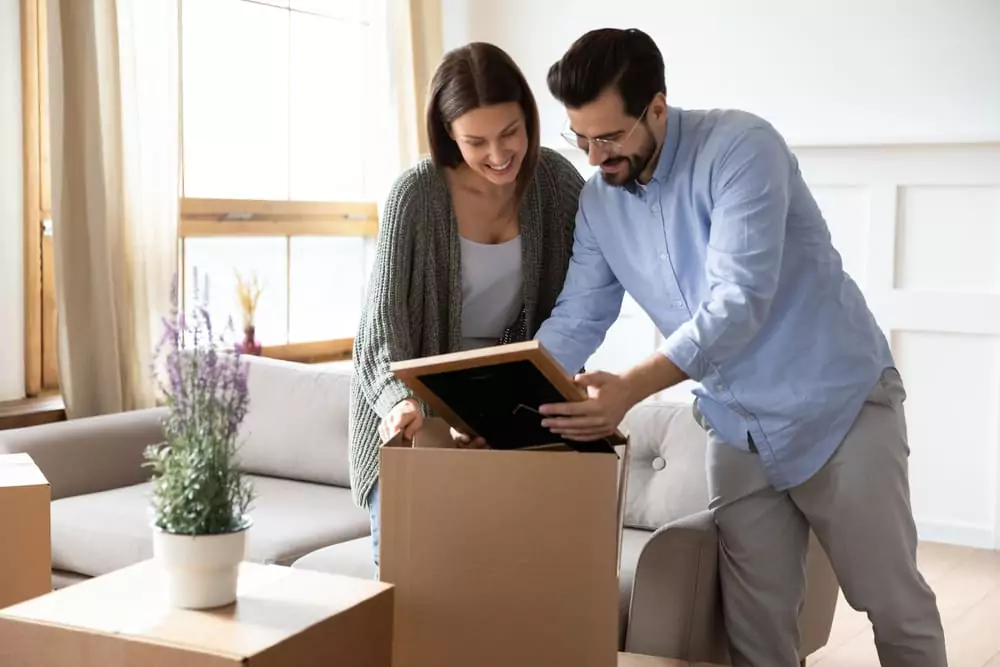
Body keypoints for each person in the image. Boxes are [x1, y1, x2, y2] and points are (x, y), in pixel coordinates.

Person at [534, 28, 947, 667]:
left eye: (610, 137)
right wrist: (507, 385)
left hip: (837, 407)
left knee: (892, 602)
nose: (593, 157)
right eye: (580, 138)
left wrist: (630, 389)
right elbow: (579, 315)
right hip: (738, 428)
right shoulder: (599, 203)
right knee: (755, 636)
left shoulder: (741, 148)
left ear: (658, 108)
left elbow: (738, 300)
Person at [348, 42, 585, 573]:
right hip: (417, 404)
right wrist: (398, 405)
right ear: (448, 135)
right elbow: (378, 333)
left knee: (526, 578)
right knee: (422, 580)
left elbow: (584, 296)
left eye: (511, 133)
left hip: (514, 401)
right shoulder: (416, 195)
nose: (499, 155)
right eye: (476, 141)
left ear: (529, 118)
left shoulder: (558, 185)